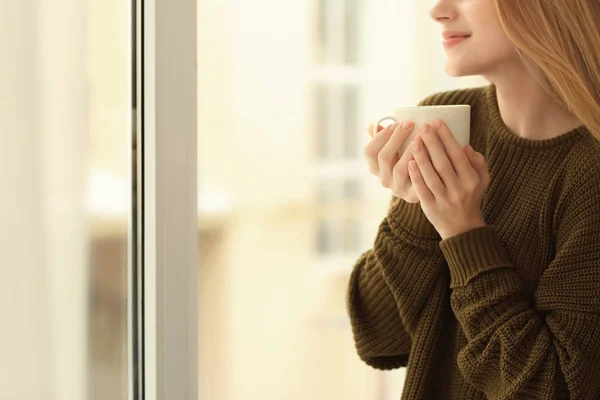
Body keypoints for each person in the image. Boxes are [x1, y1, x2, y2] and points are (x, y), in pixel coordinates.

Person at [346, 0, 600, 399]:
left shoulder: (590, 170)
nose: (438, 11)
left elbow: (553, 388)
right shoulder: (443, 122)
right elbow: (380, 339)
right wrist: (417, 209)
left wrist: (463, 231)